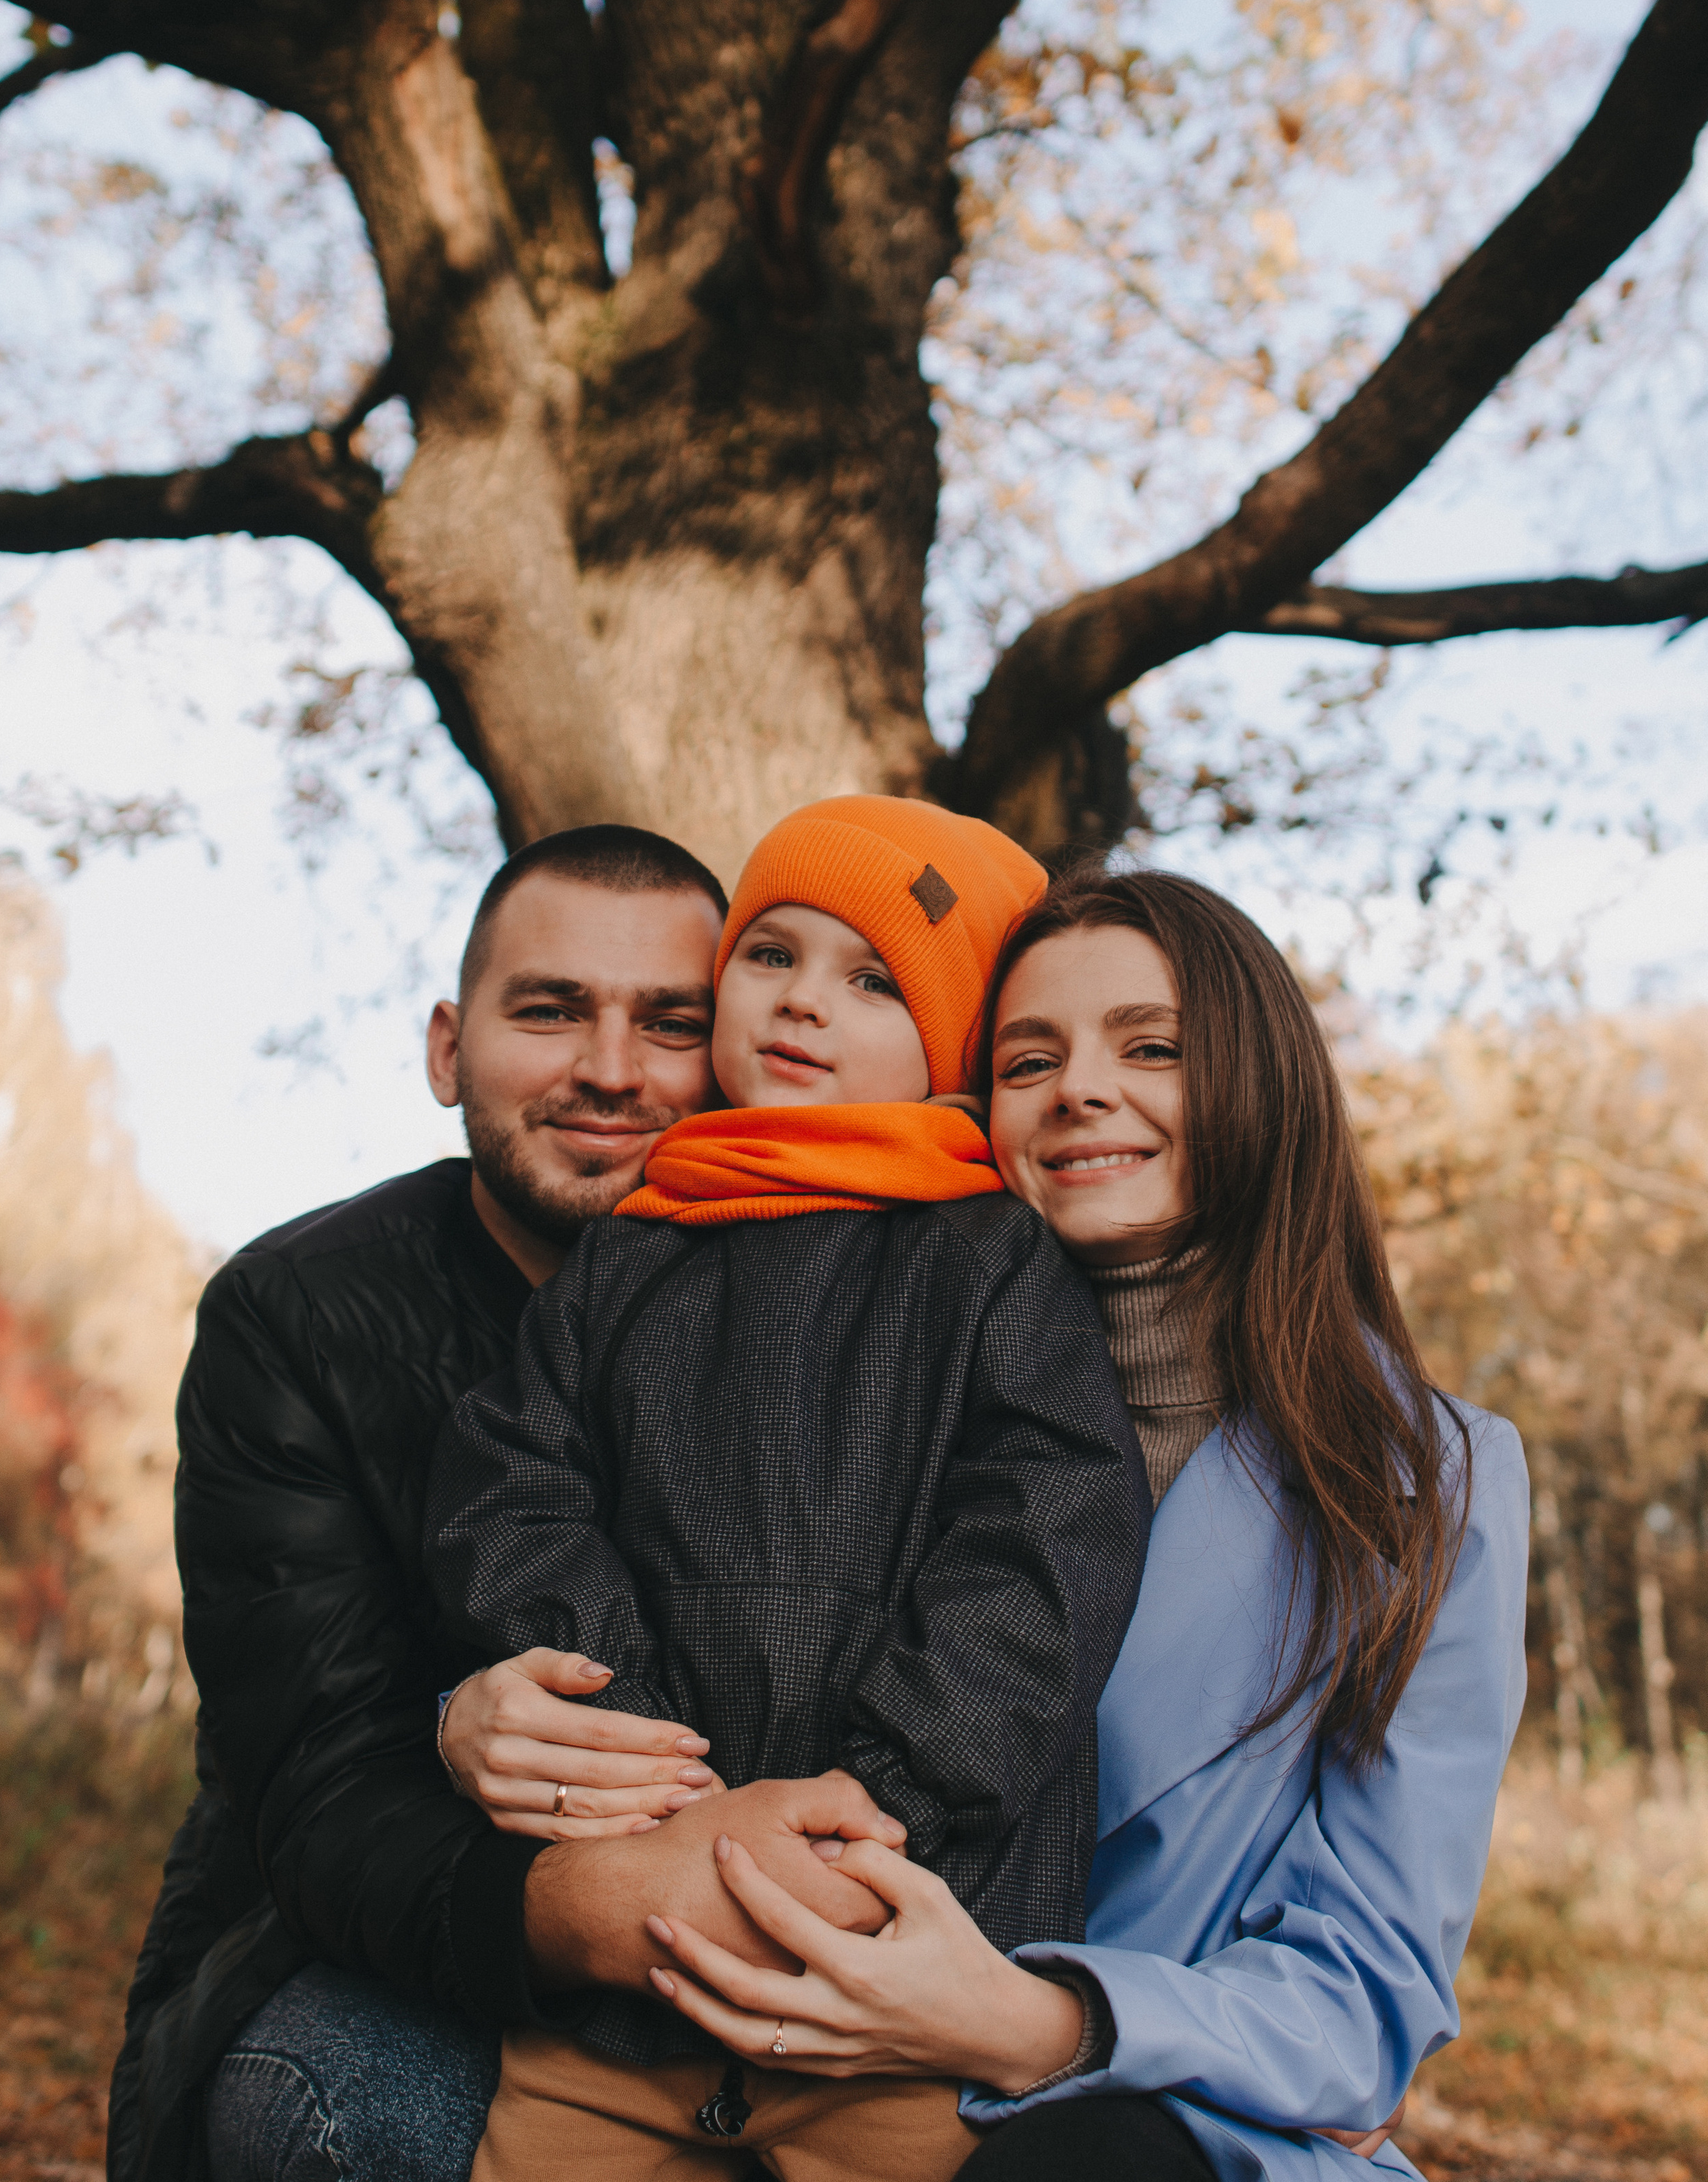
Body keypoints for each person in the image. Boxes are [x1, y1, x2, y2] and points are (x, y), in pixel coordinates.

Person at [616, 868, 1531, 2182]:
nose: (1080, 1088)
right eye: (1027, 1056)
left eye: (1149, 1046)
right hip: (792, 2063)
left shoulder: (1426, 1482)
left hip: (1188, 2126)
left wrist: (1029, 2017)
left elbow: (1369, 1987)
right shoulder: (857, 1389)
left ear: (1260, 1079)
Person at [111, 824, 902, 2182]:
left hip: (814, 1917)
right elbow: (302, 1770)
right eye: (550, 1010)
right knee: (338, 2107)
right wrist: (460, 1748)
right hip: (406, 1931)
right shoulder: (299, 1314)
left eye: (670, 1021)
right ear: (445, 1048)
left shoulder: (881, 1294)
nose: (610, 1069)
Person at [424, 796, 1151, 2180]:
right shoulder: (631, 1252)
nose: (806, 1002)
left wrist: (883, 1803)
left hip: (895, 1966)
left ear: (947, 1041)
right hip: (626, 2000)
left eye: (871, 979)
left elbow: (1043, 1539)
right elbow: (512, 1493)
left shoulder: (984, 1255)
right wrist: (641, 1768)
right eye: (771, 956)